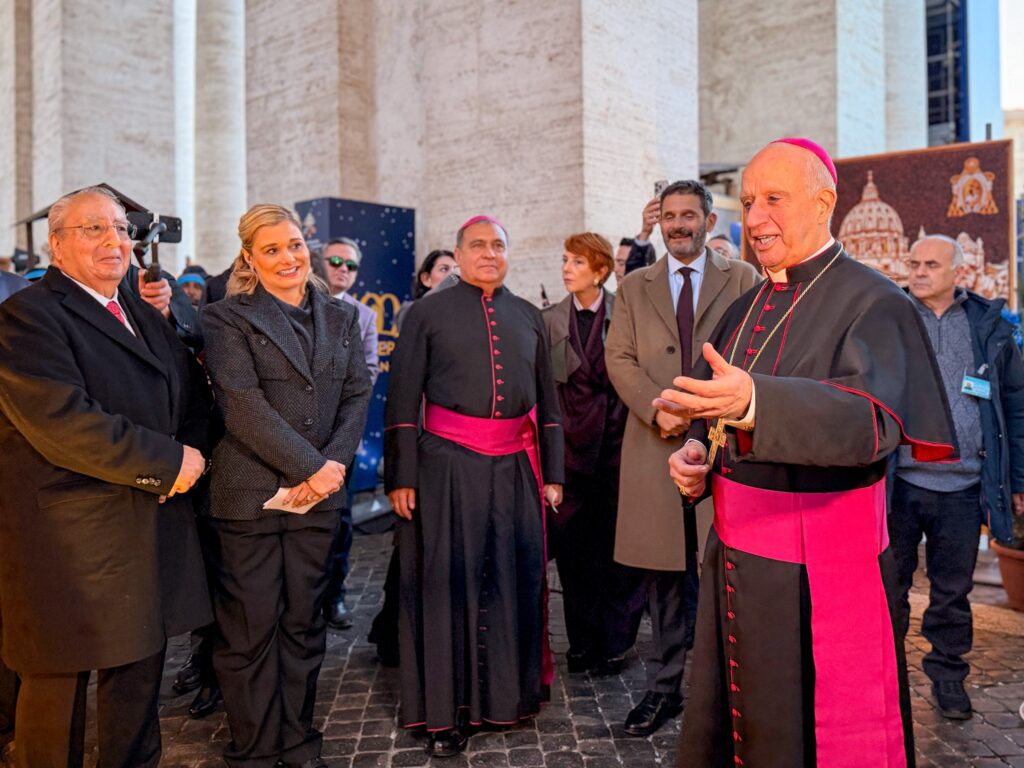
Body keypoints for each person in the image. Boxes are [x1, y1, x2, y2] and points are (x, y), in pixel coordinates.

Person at [661, 138, 956, 767]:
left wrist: (757, 405)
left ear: (823, 203)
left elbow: (872, 423)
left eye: (775, 199)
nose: (757, 216)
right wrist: (694, 455)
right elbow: (713, 406)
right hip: (735, 559)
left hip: (814, 574)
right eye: (747, 201)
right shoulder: (742, 309)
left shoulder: (876, 301)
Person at [0, 186, 211, 768]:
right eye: (92, 229)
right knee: (57, 688)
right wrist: (168, 463)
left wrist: (190, 449)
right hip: (67, 540)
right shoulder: (26, 315)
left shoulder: (141, 311)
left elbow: (188, 391)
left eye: (120, 228)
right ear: (57, 245)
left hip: (146, 524)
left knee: (139, 675)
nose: (113, 241)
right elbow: (62, 421)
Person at [385, 215, 565, 758]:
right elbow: (400, 401)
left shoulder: (528, 316)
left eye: (499, 246)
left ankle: (507, 697)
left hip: (513, 468)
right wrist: (402, 476)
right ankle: (446, 713)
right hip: (445, 468)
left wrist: (553, 473)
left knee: (510, 580)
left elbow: (548, 404)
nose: (489, 254)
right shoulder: (425, 313)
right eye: (478, 246)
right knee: (448, 587)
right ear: (459, 256)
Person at [201, 204, 372, 768]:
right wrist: (310, 466)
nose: (287, 257)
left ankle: (297, 741)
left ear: (309, 249)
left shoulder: (343, 317)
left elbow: (356, 395)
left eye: (294, 245)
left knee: (303, 625)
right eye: (271, 248)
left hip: (319, 496)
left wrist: (332, 468)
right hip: (248, 495)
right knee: (250, 631)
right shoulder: (227, 318)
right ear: (249, 257)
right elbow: (242, 407)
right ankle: (253, 748)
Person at [604, 181, 760, 737]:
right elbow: (618, 358)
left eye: (689, 215)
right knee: (664, 579)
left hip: (722, 445)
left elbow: (754, 351)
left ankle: (727, 693)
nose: (678, 225)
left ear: (708, 220)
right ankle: (664, 688)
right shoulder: (633, 286)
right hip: (654, 443)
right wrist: (657, 407)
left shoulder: (741, 277)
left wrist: (703, 412)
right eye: (669, 216)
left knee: (725, 571)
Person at [889, 234, 1024, 720]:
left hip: (964, 487)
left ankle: (948, 676)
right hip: (899, 484)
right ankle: (886, 680)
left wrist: (1019, 483)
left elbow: (1015, 408)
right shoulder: (890, 319)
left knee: (952, 592)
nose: (919, 271)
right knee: (889, 588)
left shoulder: (989, 328)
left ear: (957, 273)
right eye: (914, 262)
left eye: (931, 264)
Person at [541, 233, 629, 673]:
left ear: (600, 270)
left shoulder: (626, 314)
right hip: (570, 458)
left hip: (616, 455)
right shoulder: (550, 321)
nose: (566, 268)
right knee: (574, 559)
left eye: (577, 261)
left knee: (615, 556)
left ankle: (613, 645)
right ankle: (580, 645)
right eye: (564, 259)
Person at [321, 236, 380, 630]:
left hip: (343, 435)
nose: (343, 268)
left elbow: (369, 372)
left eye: (351, 265)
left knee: (340, 525)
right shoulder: (299, 304)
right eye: (335, 261)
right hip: (296, 436)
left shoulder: (364, 316)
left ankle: (335, 597)